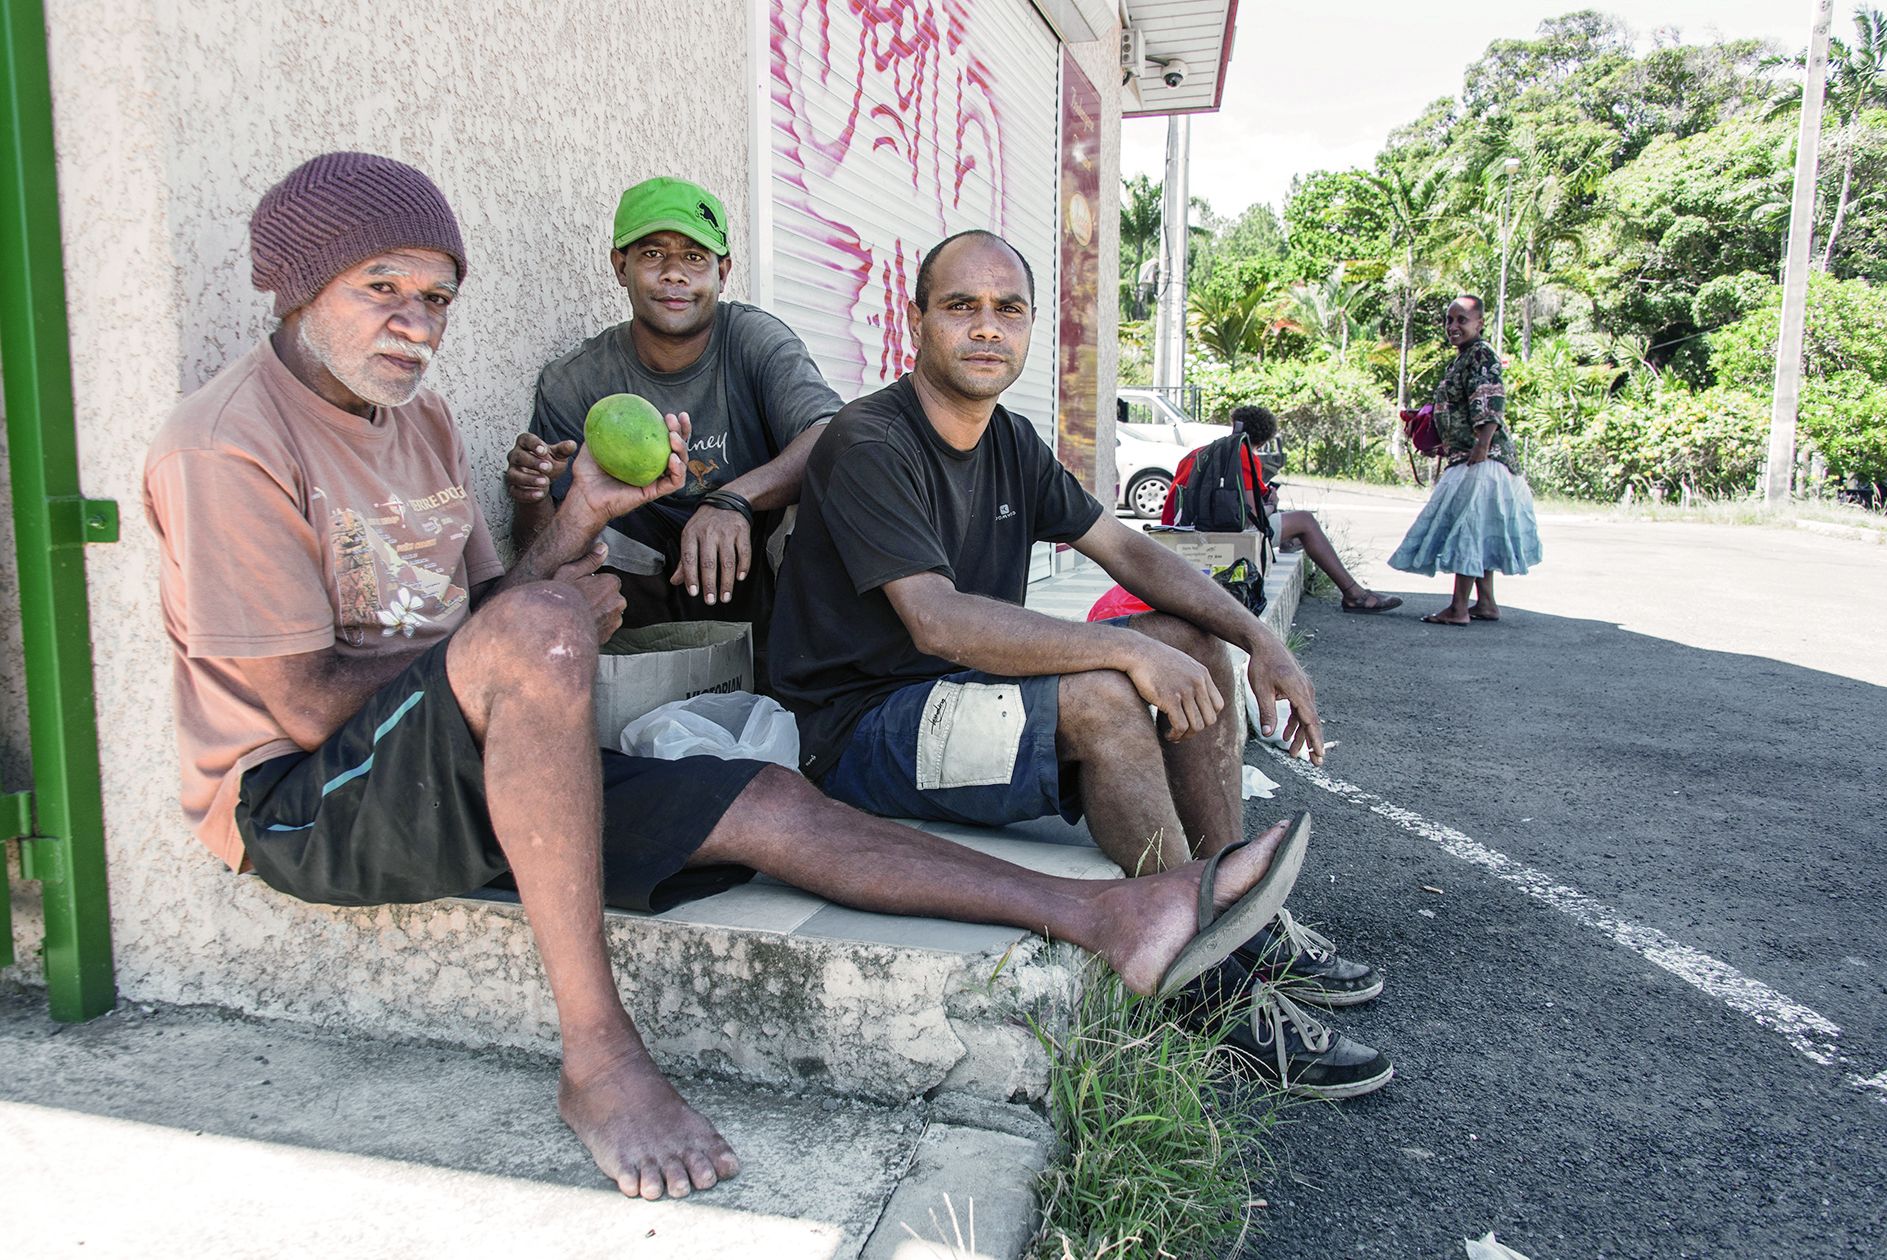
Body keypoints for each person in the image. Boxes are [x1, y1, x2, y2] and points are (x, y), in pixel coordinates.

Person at [143, 152, 1323, 1202]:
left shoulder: (427, 422)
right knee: (553, 633)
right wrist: (539, 625)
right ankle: (599, 1058)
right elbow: (301, 705)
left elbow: (490, 614)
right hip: (303, 801)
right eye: (380, 288)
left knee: (756, 796)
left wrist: (580, 527)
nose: (417, 323)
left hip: (442, 746)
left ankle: (1108, 911)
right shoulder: (228, 442)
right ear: (297, 286)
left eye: (436, 297)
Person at [768, 229, 1394, 1098]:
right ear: (914, 321)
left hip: (957, 698)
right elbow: (938, 621)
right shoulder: (868, 440)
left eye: (1007, 310)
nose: (986, 328)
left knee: (1189, 642)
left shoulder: (1010, 441)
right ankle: (1197, 976)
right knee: (1107, 693)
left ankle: (1233, 907)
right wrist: (1123, 649)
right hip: (858, 734)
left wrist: (1259, 637)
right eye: (960, 307)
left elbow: (1128, 552)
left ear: (1027, 328)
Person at [505, 177, 841, 679]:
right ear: (621, 267)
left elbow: (833, 435)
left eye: (694, 258)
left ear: (723, 271)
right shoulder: (576, 382)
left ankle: (806, 683)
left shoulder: (753, 339)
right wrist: (532, 497)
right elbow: (542, 554)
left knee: (825, 499)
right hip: (644, 600)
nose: (674, 275)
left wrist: (733, 499)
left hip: (758, 583)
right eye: (653, 254)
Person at [1389, 295, 1543, 624]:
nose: (1453, 326)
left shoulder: (1481, 355)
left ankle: (1459, 608)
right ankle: (1485, 602)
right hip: (1472, 455)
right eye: (1449, 320)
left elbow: (1489, 401)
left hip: (1483, 460)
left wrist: (1482, 445)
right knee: (1479, 528)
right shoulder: (1463, 358)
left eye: (1462, 320)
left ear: (1479, 323)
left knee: (1468, 530)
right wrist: (1444, 444)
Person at [1161, 404, 1402, 614]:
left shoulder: (1202, 451)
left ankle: (1295, 545)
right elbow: (1250, 518)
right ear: (1265, 440)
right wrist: (1272, 504)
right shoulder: (1242, 454)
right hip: (1218, 533)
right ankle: (1354, 594)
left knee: (1293, 528)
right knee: (1305, 522)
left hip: (1177, 527)